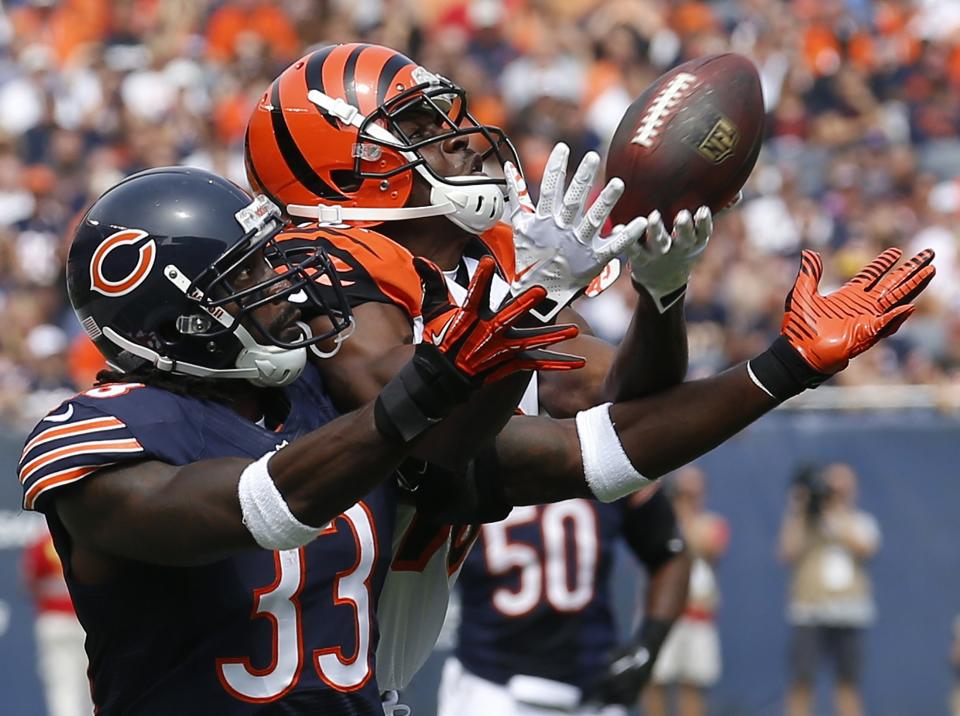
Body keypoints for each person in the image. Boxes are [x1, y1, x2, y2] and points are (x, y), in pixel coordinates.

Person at [243, 42, 936, 694]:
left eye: (448, 115)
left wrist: (662, 293)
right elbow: (415, 425)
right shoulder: (319, 265)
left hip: (356, 667)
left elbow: (620, 401)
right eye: (419, 123)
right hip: (276, 669)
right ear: (340, 166)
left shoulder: (476, 274)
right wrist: (530, 301)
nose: (457, 134)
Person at [17, 166, 577, 715]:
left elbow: (534, 453)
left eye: (271, 256)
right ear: (177, 318)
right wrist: (423, 389)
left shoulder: (319, 394)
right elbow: (254, 510)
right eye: (246, 272)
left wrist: (543, 304)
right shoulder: (100, 431)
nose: (285, 284)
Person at [436, 483, 691, 716]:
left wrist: (647, 646)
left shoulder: (602, 450)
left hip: (593, 689)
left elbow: (669, 552)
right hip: (491, 685)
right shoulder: (480, 448)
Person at [779, 463, 882, 716]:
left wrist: (834, 513)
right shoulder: (805, 521)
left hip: (850, 612)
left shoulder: (861, 521)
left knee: (848, 682)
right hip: (810, 610)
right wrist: (800, 511)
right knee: (802, 680)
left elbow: (865, 547)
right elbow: (786, 552)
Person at [646, 466, 729, 716]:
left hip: (697, 615)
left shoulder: (712, 522)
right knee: (656, 681)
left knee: (693, 684)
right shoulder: (659, 521)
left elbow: (708, 544)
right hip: (661, 615)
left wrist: (680, 511)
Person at [22, 527, 94, 716]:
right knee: (95, 689)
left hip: (55, 622)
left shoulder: (41, 543)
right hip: (87, 623)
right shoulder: (84, 538)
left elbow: (28, 582)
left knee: (64, 690)